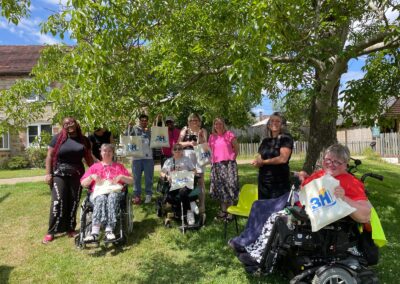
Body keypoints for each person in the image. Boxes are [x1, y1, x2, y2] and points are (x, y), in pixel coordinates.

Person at [230, 144, 372, 267]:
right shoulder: (322, 173)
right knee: (258, 205)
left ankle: (257, 257)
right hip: (298, 200)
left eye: (337, 162)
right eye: (328, 160)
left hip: (309, 214)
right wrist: (304, 178)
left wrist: (345, 198)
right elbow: (306, 187)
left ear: (346, 164)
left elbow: (366, 214)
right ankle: (247, 242)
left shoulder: (351, 182)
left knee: (276, 216)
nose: (331, 164)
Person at [42, 117, 94, 244]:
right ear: (63, 126)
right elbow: (49, 156)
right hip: (59, 173)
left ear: (76, 123)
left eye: (71, 122)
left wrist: (94, 172)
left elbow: (88, 158)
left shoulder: (84, 140)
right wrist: (48, 174)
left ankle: (70, 228)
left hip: (77, 174)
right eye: (65, 123)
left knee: (74, 201)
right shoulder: (58, 138)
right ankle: (51, 231)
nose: (69, 125)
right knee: (57, 201)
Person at [80, 144, 133, 241]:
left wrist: (121, 177)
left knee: (112, 197)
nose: (107, 153)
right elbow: (83, 183)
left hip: (115, 193)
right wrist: (92, 177)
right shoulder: (94, 167)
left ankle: (109, 229)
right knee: (101, 198)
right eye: (105, 151)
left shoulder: (119, 167)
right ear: (100, 152)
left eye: (110, 151)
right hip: (98, 194)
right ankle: (95, 231)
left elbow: (131, 180)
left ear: (113, 153)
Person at [251, 112, 293, 200]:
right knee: (264, 208)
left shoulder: (286, 138)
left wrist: (263, 162)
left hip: (279, 182)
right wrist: (257, 162)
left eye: (278, 121)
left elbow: (283, 159)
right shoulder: (265, 141)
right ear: (269, 124)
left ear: (282, 124)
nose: (274, 123)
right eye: (272, 121)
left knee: (277, 211)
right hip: (263, 182)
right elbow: (259, 157)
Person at [178, 113, 208, 224]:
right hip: (186, 157)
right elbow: (178, 144)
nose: (194, 122)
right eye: (192, 120)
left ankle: (202, 207)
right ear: (188, 121)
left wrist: (200, 139)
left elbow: (205, 145)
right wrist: (189, 143)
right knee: (186, 182)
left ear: (199, 121)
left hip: (199, 157)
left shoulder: (202, 130)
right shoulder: (184, 130)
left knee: (200, 182)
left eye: (196, 120)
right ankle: (189, 206)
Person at [208, 117, 239, 220]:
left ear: (223, 124)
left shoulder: (229, 134)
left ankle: (231, 212)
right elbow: (208, 150)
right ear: (214, 126)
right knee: (221, 188)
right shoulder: (212, 137)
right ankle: (223, 211)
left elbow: (236, 146)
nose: (218, 125)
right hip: (217, 165)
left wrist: (233, 157)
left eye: (220, 123)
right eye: (216, 124)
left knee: (230, 186)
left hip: (229, 164)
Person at [160, 143, 197, 224]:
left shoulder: (186, 160)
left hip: (185, 183)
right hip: (173, 184)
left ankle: (189, 212)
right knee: (169, 197)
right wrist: (166, 176)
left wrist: (189, 174)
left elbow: (194, 170)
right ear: (172, 151)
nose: (177, 151)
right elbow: (162, 173)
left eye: (179, 149)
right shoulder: (168, 161)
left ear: (182, 151)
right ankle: (188, 206)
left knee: (182, 192)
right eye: (175, 149)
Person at [130, 114, 154, 205]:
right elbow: (126, 136)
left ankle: (148, 194)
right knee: (136, 178)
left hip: (148, 157)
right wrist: (129, 127)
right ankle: (137, 196)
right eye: (142, 120)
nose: (144, 122)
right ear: (139, 121)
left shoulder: (150, 130)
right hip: (136, 158)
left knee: (149, 177)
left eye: (145, 120)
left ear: (147, 122)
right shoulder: (134, 129)